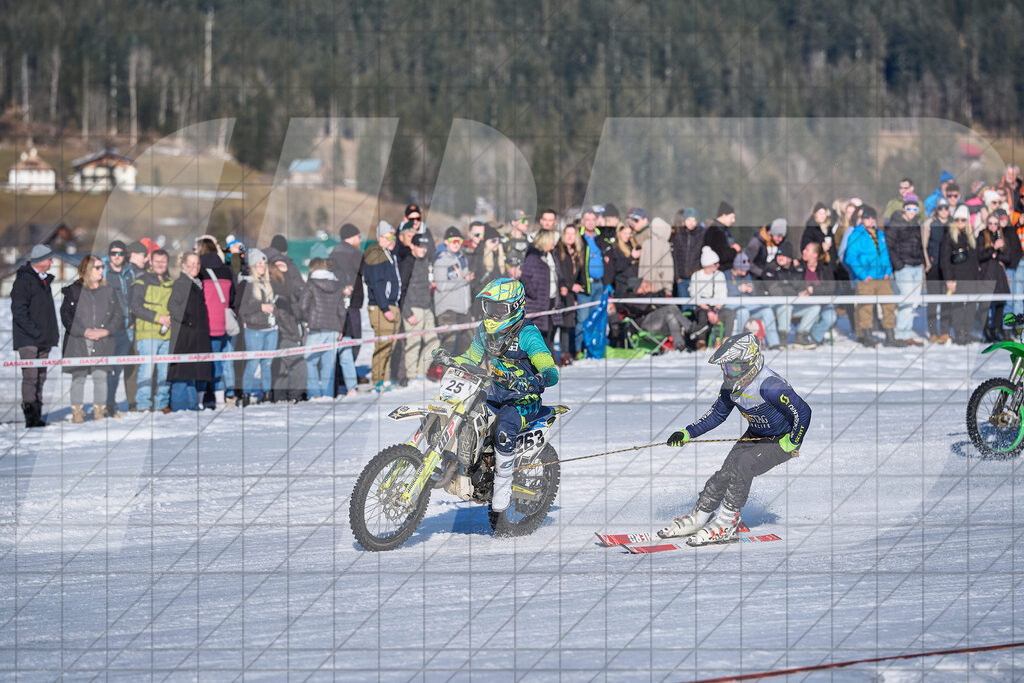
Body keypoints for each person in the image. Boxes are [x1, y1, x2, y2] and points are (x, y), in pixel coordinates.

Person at [658, 332, 811, 546]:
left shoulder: (770, 386)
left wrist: (793, 441)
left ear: (750, 362)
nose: (728, 373)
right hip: (756, 435)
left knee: (742, 465)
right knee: (725, 473)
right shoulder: (730, 387)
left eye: (734, 367)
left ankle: (726, 523)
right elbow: (717, 414)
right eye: (725, 368)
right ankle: (699, 518)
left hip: (781, 440)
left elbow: (803, 412)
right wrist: (687, 433)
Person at [433, 278, 559, 511]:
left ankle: (503, 483)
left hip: (524, 399)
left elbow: (549, 368)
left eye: (499, 309)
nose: (492, 315)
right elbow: (471, 357)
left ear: (515, 307)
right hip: (495, 392)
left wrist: (538, 378)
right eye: (489, 307)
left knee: (504, 430)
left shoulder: (527, 334)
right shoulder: (484, 332)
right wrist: (450, 359)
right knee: (468, 417)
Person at [60, 254, 122, 422]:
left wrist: (106, 331)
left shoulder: (108, 290)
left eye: (102, 267)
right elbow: (66, 316)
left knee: (100, 376)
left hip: (102, 341)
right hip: (78, 341)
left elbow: (118, 315)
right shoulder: (74, 291)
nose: (102, 270)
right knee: (78, 377)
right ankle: (77, 413)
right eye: (98, 267)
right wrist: (83, 331)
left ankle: (99, 412)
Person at [12, 244, 59, 428]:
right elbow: (19, 311)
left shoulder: (44, 280)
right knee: (31, 377)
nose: (52, 262)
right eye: (49, 259)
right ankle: (30, 417)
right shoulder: (24, 280)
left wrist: (47, 335)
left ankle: (37, 415)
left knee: (41, 377)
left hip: (43, 340)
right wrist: (35, 332)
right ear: (40, 261)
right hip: (29, 340)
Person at [843, 206, 904, 348]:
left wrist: (888, 270)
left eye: (872, 218)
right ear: (862, 219)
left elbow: (885, 254)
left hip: (882, 277)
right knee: (866, 307)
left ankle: (890, 336)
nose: (870, 220)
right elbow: (850, 257)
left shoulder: (880, 234)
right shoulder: (856, 235)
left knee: (889, 306)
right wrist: (863, 275)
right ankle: (867, 336)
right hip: (866, 279)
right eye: (867, 217)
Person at [166, 252, 212, 411]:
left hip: (195, 338)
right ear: (183, 265)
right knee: (181, 376)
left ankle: (192, 408)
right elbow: (172, 306)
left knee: (191, 375)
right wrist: (188, 320)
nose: (195, 267)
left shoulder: (197, 283)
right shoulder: (181, 283)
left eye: (197, 263)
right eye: (191, 263)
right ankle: (179, 408)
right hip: (183, 337)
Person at [131, 248, 175, 412]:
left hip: (167, 333)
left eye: (163, 261)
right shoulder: (141, 282)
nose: (160, 265)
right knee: (147, 371)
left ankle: (162, 403)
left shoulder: (171, 283)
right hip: (147, 333)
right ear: (150, 262)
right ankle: (143, 404)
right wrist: (158, 318)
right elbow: (135, 306)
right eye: (157, 261)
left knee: (165, 371)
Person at [301, 257, 350, 398]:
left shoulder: (311, 284)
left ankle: (315, 393)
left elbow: (303, 306)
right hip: (333, 328)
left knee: (310, 360)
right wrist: (340, 328)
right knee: (328, 364)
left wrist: (307, 320)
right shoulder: (337, 285)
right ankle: (328, 394)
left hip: (316, 327)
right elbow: (342, 310)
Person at [196, 237, 237, 407]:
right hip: (223, 323)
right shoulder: (227, 270)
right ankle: (221, 398)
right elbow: (234, 297)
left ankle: (200, 400)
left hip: (205, 323)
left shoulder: (200, 271)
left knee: (203, 363)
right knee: (220, 362)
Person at [363, 221, 402, 391]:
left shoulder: (388, 254)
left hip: (392, 305)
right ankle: (377, 379)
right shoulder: (375, 254)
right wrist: (385, 308)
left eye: (394, 236)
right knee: (382, 344)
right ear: (380, 238)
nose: (392, 240)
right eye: (389, 237)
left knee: (390, 345)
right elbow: (377, 284)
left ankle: (385, 378)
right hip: (381, 307)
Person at [237, 248, 278, 404]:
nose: (262, 267)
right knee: (253, 363)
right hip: (254, 329)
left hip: (271, 329)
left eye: (264, 263)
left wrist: (275, 311)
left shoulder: (268, 283)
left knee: (267, 363)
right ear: (253, 266)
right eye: (259, 264)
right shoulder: (247, 284)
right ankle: (246, 394)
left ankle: (267, 393)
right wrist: (260, 307)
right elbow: (241, 308)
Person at [266, 248, 306, 402]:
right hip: (280, 331)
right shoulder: (272, 285)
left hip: (288, 329)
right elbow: (283, 307)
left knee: (281, 366)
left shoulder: (285, 283)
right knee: (298, 363)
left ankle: (279, 397)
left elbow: (296, 303)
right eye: (279, 266)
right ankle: (294, 395)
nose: (283, 268)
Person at [102, 240, 137, 416]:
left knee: (123, 369)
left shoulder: (131, 273)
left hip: (128, 327)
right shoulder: (103, 273)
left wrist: (133, 318)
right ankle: (108, 403)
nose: (116, 257)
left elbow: (135, 298)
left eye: (120, 253)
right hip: (109, 329)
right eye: (113, 253)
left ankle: (122, 402)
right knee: (109, 370)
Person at [886, 193, 926, 345]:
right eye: (909, 208)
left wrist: (922, 261)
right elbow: (889, 247)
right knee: (906, 300)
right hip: (904, 268)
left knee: (914, 302)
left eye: (915, 209)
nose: (911, 211)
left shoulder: (916, 224)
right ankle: (900, 334)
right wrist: (899, 265)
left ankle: (906, 333)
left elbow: (919, 245)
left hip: (916, 267)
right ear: (903, 209)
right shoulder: (895, 223)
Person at [397, 233, 438, 381]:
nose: (423, 249)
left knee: (433, 341)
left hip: (427, 308)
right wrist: (407, 313)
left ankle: (421, 372)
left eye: (425, 246)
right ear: (413, 246)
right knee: (413, 343)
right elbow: (401, 291)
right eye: (420, 246)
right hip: (413, 308)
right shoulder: (407, 263)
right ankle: (411, 376)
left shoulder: (425, 261)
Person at [940, 205, 982, 345]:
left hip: (971, 277)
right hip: (957, 277)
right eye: (957, 219)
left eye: (963, 220)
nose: (959, 222)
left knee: (970, 307)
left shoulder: (971, 236)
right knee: (958, 307)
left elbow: (975, 259)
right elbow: (944, 260)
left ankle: (967, 333)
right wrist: (949, 280)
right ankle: (959, 334)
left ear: (967, 220)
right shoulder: (949, 236)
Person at [434, 226, 475, 355]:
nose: (456, 244)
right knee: (449, 345)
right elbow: (441, 286)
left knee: (468, 344)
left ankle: (462, 373)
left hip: (463, 309)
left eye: (459, 241)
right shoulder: (441, 260)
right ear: (446, 241)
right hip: (447, 310)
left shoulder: (461, 258)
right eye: (453, 241)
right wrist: (464, 279)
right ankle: (445, 374)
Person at [977, 212, 1018, 341]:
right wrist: (993, 249)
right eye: (991, 223)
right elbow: (980, 255)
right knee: (986, 303)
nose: (993, 226)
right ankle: (986, 330)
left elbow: (1007, 256)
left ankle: (996, 328)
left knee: (1001, 302)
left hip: (999, 274)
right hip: (987, 273)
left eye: (996, 223)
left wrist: (997, 254)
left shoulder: (1002, 236)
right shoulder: (982, 236)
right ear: (987, 224)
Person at [520, 229, 564, 349]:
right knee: (537, 335)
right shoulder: (532, 257)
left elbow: (557, 274)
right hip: (537, 303)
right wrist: (534, 294)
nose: (554, 244)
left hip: (551, 300)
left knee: (549, 332)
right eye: (552, 241)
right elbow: (524, 277)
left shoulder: (551, 255)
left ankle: (547, 359)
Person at [575, 209, 609, 355]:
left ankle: (592, 348)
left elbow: (609, 261)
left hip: (599, 284)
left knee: (595, 319)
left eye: (593, 219)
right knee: (582, 319)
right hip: (585, 284)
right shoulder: (579, 237)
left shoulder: (601, 237)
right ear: (583, 221)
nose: (590, 222)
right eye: (587, 219)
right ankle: (577, 349)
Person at [688, 246, 734, 349]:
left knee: (730, 313)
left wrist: (716, 309)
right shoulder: (696, 276)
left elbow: (722, 294)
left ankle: (726, 341)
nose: (718, 265)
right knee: (702, 315)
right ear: (708, 264)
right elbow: (694, 296)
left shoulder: (719, 275)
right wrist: (708, 309)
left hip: (716, 307)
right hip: (702, 307)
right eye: (715, 263)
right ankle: (701, 342)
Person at [793, 241, 837, 346]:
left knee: (831, 316)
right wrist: (802, 291)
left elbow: (831, 287)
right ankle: (806, 337)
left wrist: (814, 290)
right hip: (806, 303)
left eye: (807, 250)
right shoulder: (799, 267)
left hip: (824, 302)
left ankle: (815, 337)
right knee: (814, 314)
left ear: (815, 254)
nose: (803, 251)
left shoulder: (825, 268)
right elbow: (795, 285)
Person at [554, 223, 587, 365]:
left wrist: (581, 286)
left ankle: (565, 353)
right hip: (559, 292)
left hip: (571, 294)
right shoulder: (558, 251)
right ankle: (550, 355)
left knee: (567, 325)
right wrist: (569, 285)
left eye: (573, 234)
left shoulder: (577, 251)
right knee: (554, 325)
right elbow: (558, 273)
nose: (570, 236)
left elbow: (580, 273)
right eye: (567, 233)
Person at [922, 197, 952, 342]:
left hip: (948, 269)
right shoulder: (930, 224)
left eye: (946, 208)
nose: (944, 211)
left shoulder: (953, 223)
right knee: (933, 301)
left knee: (947, 300)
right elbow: (924, 245)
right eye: (941, 208)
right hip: (934, 267)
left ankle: (945, 331)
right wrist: (927, 263)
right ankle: (933, 332)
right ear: (937, 209)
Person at [670, 208, 705, 303]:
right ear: (684, 221)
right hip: (682, 278)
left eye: (694, 220)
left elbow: (703, 256)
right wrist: (677, 276)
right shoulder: (678, 236)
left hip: (696, 276)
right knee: (685, 305)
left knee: (697, 303)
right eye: (689, 220)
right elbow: (675, 258)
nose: (691, 223)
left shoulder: (701, 235)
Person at [702, 201, 742, 271]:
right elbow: (721, 255)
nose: (733, 220)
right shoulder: (716, 232)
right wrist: (734, 250)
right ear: (724, 216)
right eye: (731, 217)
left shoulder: (723, 230)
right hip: (720, 271)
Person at [470, 224, 506, 296]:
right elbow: (473, 283)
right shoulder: (478, 257)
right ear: (486, 242)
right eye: (493, 240)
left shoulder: (498, 258)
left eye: (498, 240)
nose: (496, 243)